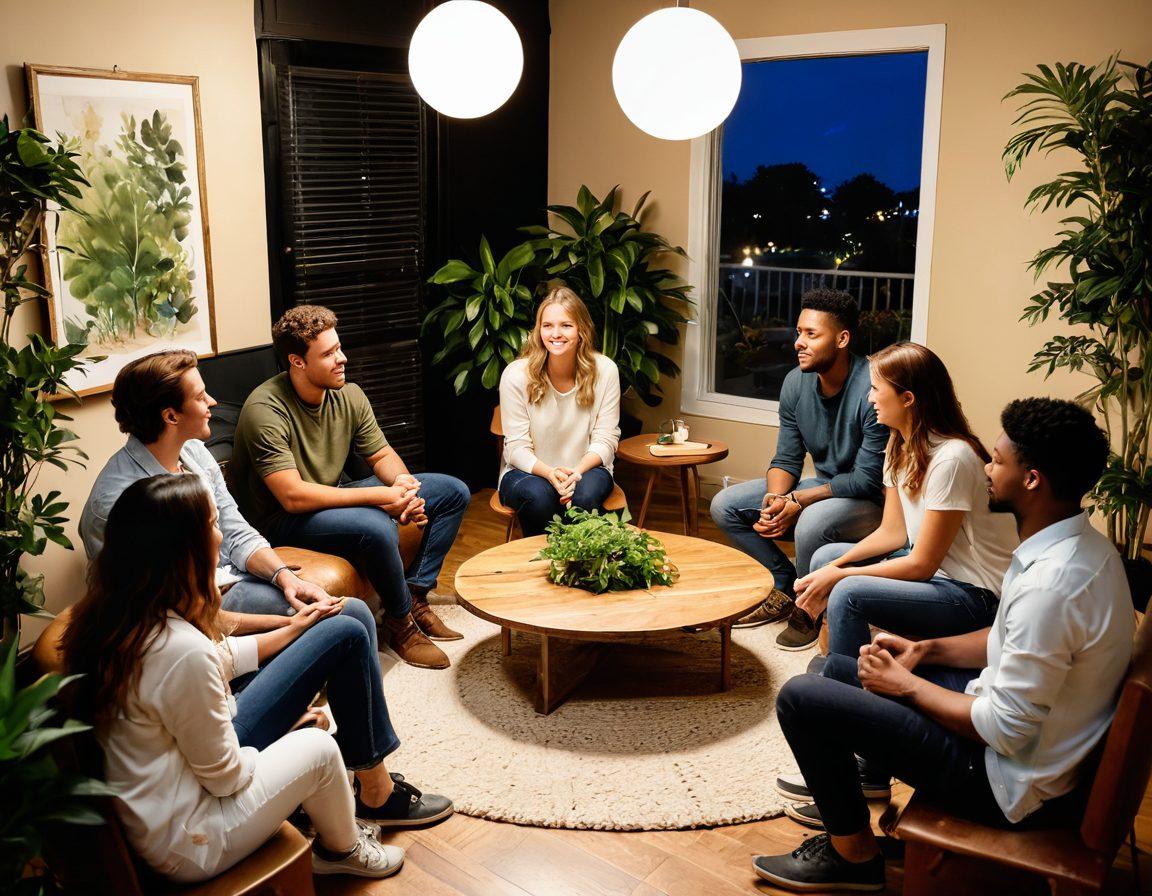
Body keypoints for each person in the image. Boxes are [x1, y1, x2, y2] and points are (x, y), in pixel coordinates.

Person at [752, 397, 1134, 893]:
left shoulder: (1053, 585)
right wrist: (925, 652)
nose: (988, 469)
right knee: (835, 671)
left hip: (1006, 787)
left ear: (1033, 479)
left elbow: (1005, 729)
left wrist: (906, 686)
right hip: (1021, 749)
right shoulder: (1078, 547)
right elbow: (1004, 640)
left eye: (997, 460)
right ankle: (851, 809)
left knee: (801, 697)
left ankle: (853, 858)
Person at [62, 475, 454, 884]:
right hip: (194, 839)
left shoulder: (126, 615)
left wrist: (293, 628)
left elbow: (220, 659)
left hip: (175, 796)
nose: (218, 537)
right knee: (318, 748)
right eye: (211, 526)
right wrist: (287, 735)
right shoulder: (178, 650)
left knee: (345, 626)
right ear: (183, 551)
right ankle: (343, 849)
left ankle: (360, 789)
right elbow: (225, 777)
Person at [229, 305, 471, 670]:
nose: (342, 359)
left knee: (452, 492)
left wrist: (405, 490)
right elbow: (292, 496)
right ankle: (400, 624)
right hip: (281, 520)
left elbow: (381, 455)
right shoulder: (265, 409)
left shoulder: (348, 394)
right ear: (296, 361)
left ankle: (415, 595)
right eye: (328, 354)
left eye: (339, 347)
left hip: (330, 498)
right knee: (375, 525)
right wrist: (380, 497)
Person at [80, 350, 357, 637]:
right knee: (343, 621)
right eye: (200, 397)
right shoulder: (116, 503)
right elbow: (165, 615)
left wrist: (284, 576)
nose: (212, 402)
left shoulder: (194, 452)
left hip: (231, 580)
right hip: (190, 617)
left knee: (347, 611)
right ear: (171, 415)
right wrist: (288, 625)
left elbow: (235, 530)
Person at [791, 342, 1017, 663]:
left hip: (975, 596)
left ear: (907, 399)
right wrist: (833, 568)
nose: (869, 398)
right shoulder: (899, 445)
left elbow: (922, 563)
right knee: (826, 557)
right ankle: (841, 662)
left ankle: (846, 689)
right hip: (937, 575)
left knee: (847, 591)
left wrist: (840, 577)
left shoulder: (952, 458)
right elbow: (892, 533)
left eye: (875, 389)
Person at [709, 289, 887, 649]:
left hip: (871, 499)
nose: (798, 343)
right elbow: (786, 458)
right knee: (724, 504)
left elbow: (867, 479)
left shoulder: (872, 387)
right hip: (823, 485)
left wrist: (798, 501)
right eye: (798, 332)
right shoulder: (795, 383)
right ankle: (782, 583)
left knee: (810, 520)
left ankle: (810, 608)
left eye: (811, 334)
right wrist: (776, 499)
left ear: (842, 339)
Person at [497, 286, 621, 537]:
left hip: (587, 469)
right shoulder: (516, 375)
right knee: (540, 498)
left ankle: (580, 568)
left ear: (581, 330)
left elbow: (606, 439)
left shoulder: (605, 370)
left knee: (584, 498)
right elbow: (516, 447)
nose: (555, 334)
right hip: (527, 472)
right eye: (547, 325)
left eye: (566, 325)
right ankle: (544, 568)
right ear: (538, 330)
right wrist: (550, 473)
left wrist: (576, 472)